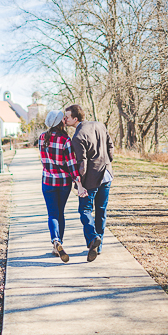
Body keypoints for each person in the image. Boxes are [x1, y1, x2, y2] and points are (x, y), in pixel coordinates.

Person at [63, 104, 114, 262]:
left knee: (85, 210)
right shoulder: (100, 125)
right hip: (106, 174)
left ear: (75, 119)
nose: (65, 119)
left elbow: (82, 163)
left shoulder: (78, 137)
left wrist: (80, 184)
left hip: (91, 179)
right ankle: (98, 246)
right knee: (101, 211)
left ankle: (93, 238)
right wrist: (108, 162)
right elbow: (110, 146)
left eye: (67, 117)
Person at [39, 110, 87, 263]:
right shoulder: (65, 140)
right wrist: (78, 182)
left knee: (52, 214)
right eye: (63, 119)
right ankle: (59, 244)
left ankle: (55, 241)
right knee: (60, 213)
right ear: (60, 122)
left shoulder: (42, 138)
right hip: (64, 183)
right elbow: (72, 164)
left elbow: (44, 159)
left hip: (48, 181)